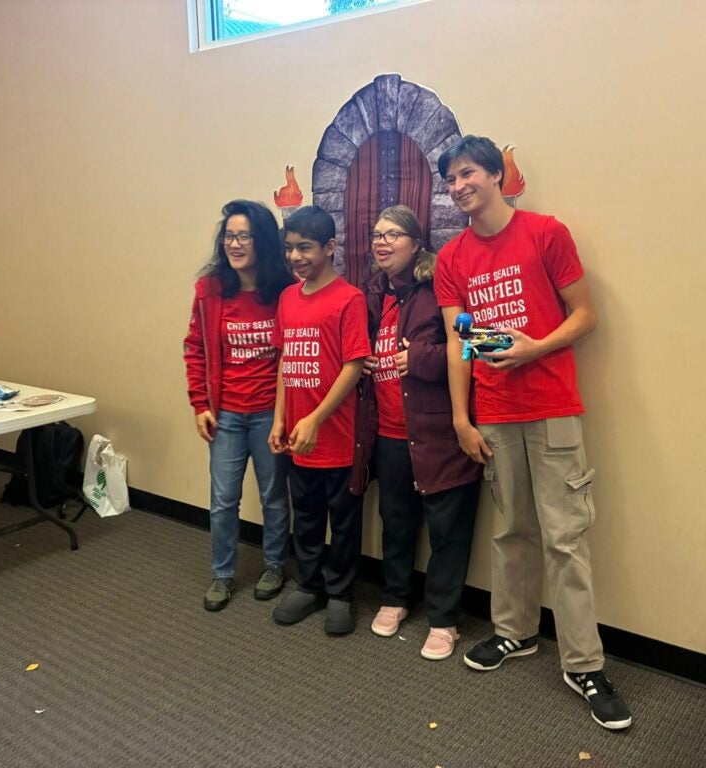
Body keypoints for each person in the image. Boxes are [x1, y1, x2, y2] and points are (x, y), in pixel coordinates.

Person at [433, 136, 632, 730]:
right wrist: (461, 418)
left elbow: (586, 315)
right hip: (493, 414)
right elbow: (460, 338)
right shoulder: (452, 260)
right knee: (512, 531)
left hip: (551, 408)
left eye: (468, 173)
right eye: (450, 179)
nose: (459, 185)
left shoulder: (546, 233)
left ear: (496, 175)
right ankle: (514, 632)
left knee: (565, 539)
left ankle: (583, 664)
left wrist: (535, 348)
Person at [351, 205, 482, 661]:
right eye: (376, 235)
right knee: (397, 522)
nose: (380, 243)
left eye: (392, 234)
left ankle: (444, 619)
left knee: (447, 528)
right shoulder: (372, 293)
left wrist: (423, 358)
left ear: (415, 241)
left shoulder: (437, 288)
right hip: (387, 432)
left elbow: (475, 340)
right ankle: (395, 597)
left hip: (439, 432)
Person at [184, 199, 295, 612]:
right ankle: (223, 573)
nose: (234, 243)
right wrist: (200, 404)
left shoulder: (283, 290)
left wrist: (285, 416)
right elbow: (195, 349)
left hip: (271, 412)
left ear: (261, 240)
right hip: (226, 414)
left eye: (243, 235)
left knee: (273, 497)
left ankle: (273, 565)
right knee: (223, 499)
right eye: (229, 235)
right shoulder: (210, 290)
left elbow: (292, 355)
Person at [269, 206, 371, 635]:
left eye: (305, 247)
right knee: (306, 517)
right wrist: (281, 419)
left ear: (330, 247)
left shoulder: (350, 298)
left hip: (338, 438)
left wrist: (314, 418)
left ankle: (341, 593)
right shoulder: (288, 298)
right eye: (289, 248)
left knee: (343, 522)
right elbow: (285, 361)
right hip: (297, 438)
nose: (295, 257)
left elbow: (353, 366)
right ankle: (309, 584)